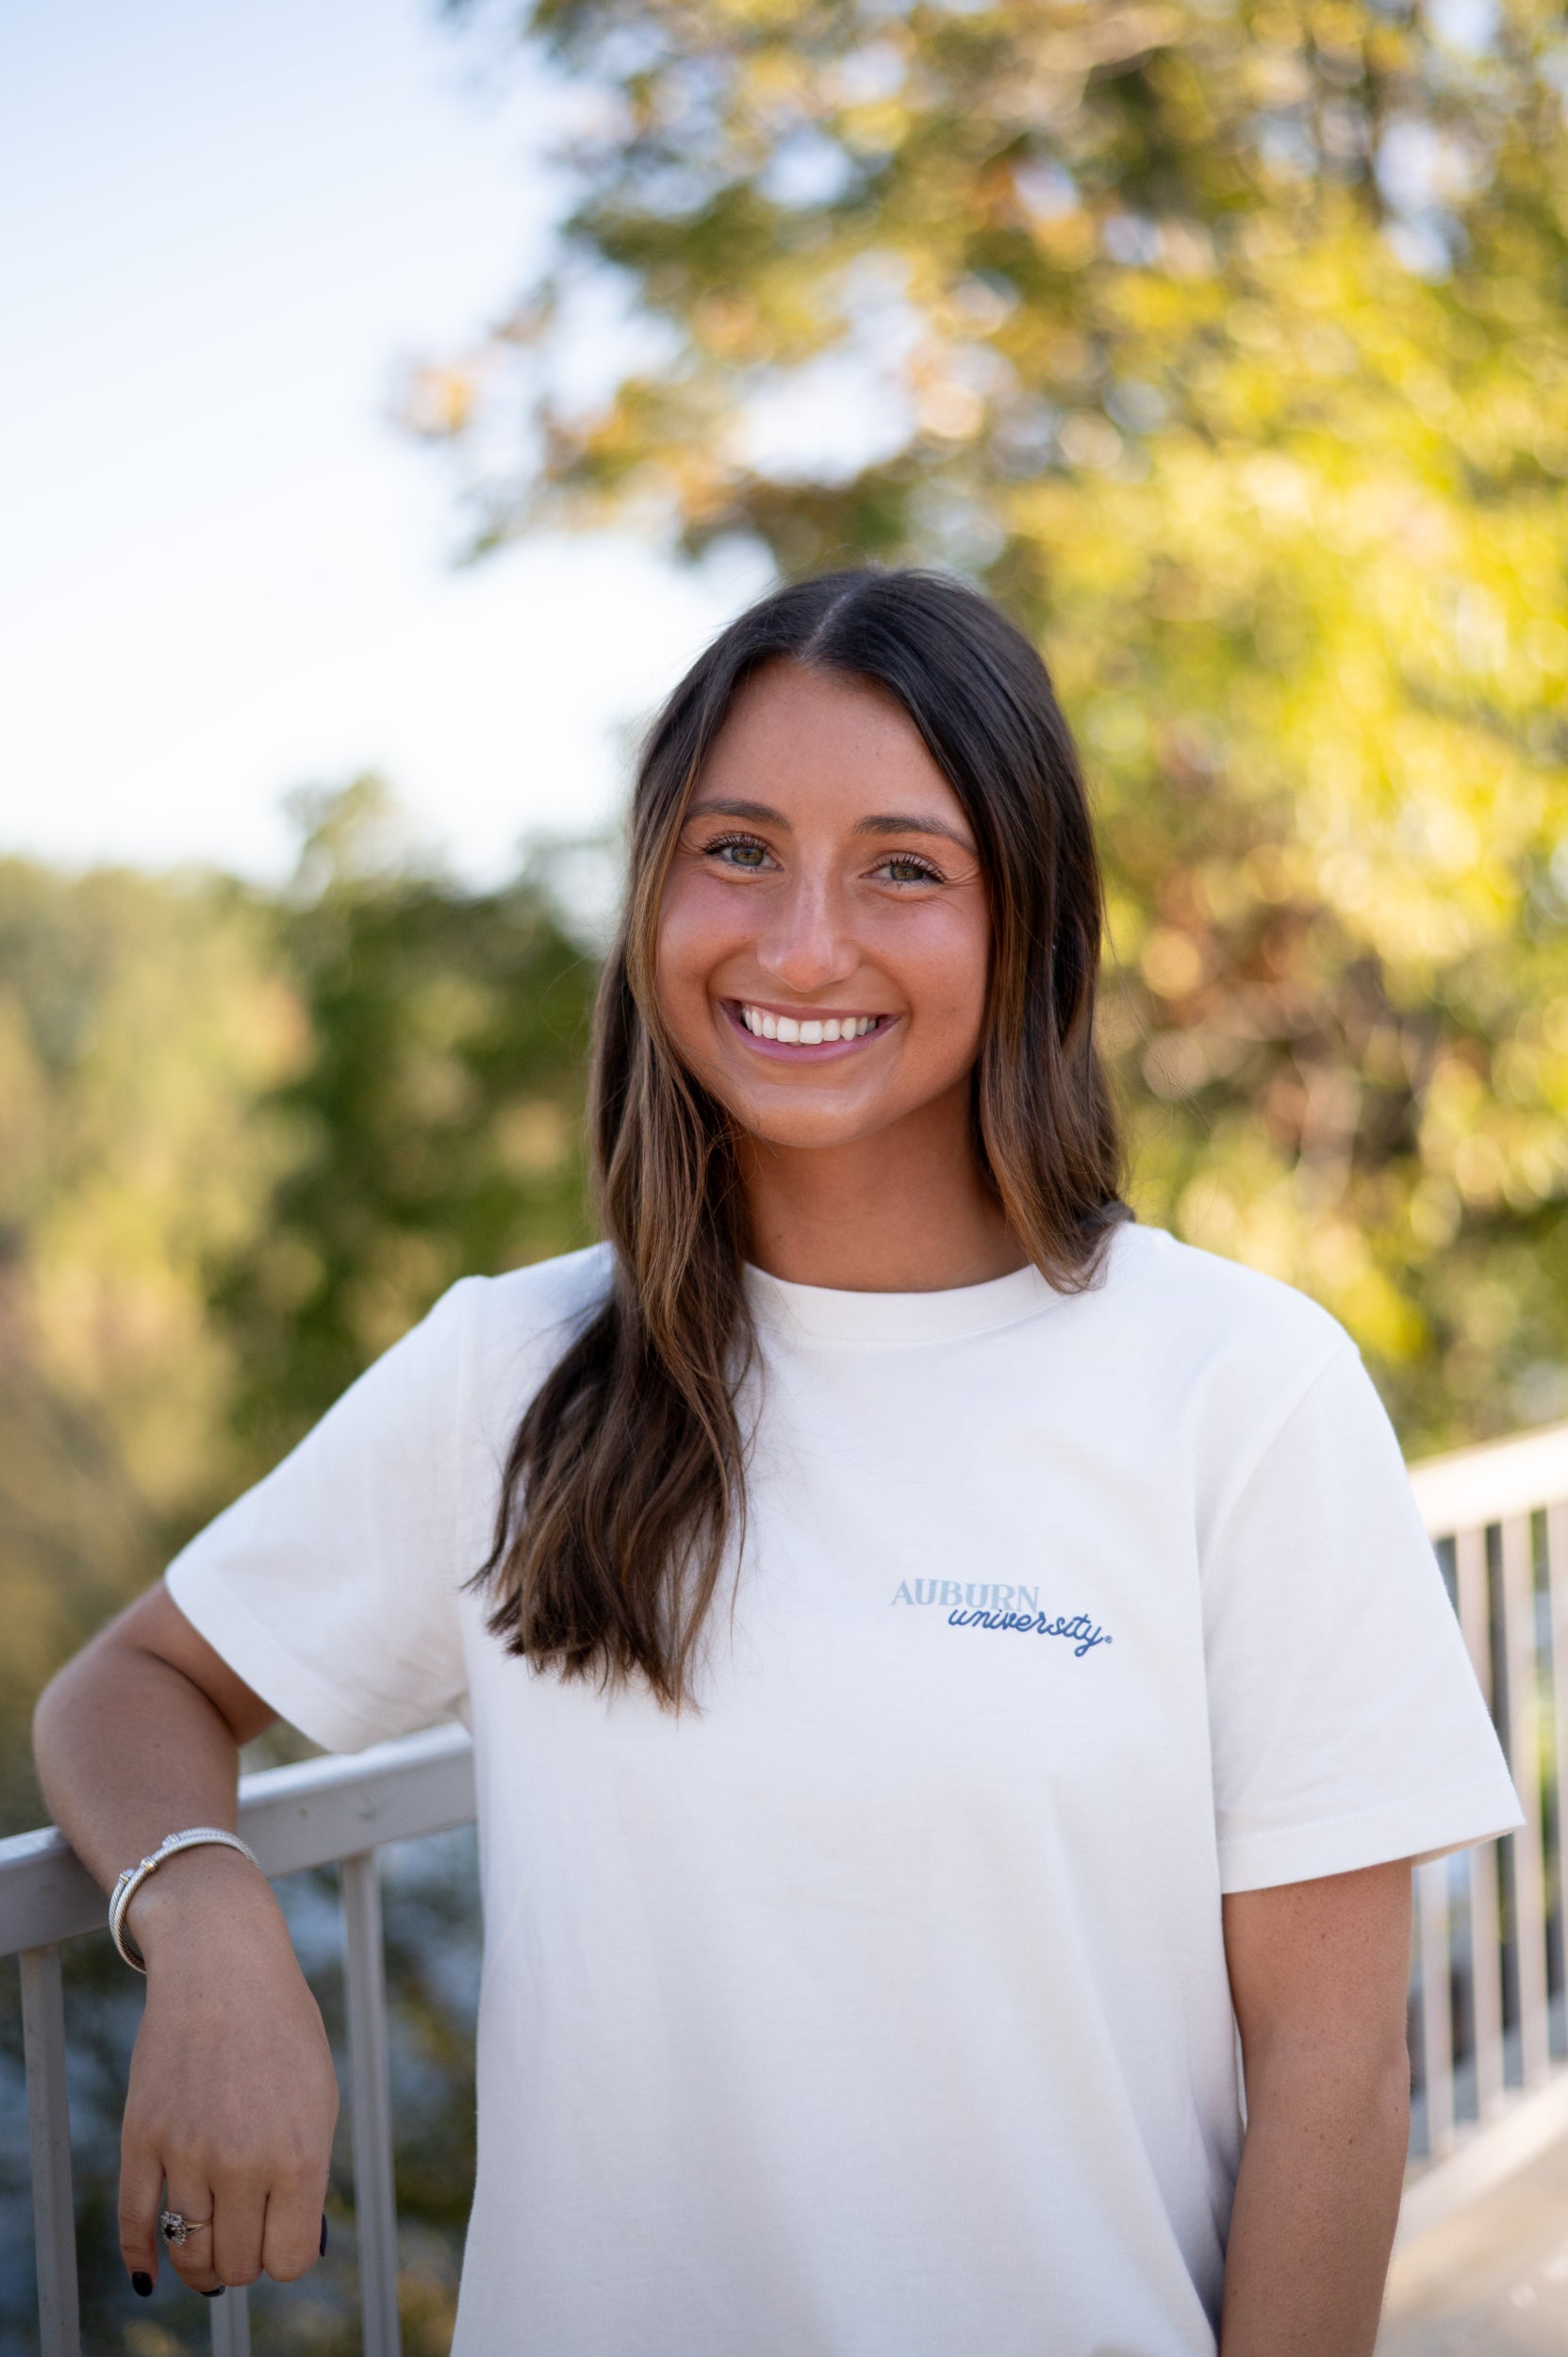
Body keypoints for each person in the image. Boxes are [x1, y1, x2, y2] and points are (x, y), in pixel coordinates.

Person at [36, 567, 1519, 2357]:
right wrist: (200, 1914)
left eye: (903, 866)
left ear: (1029, 923)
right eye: (738, 848)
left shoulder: (1238, 1385)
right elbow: (133, 1684)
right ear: (656, 887)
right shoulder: (512, 1371)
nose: (802, 944)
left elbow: (1335, 2081)